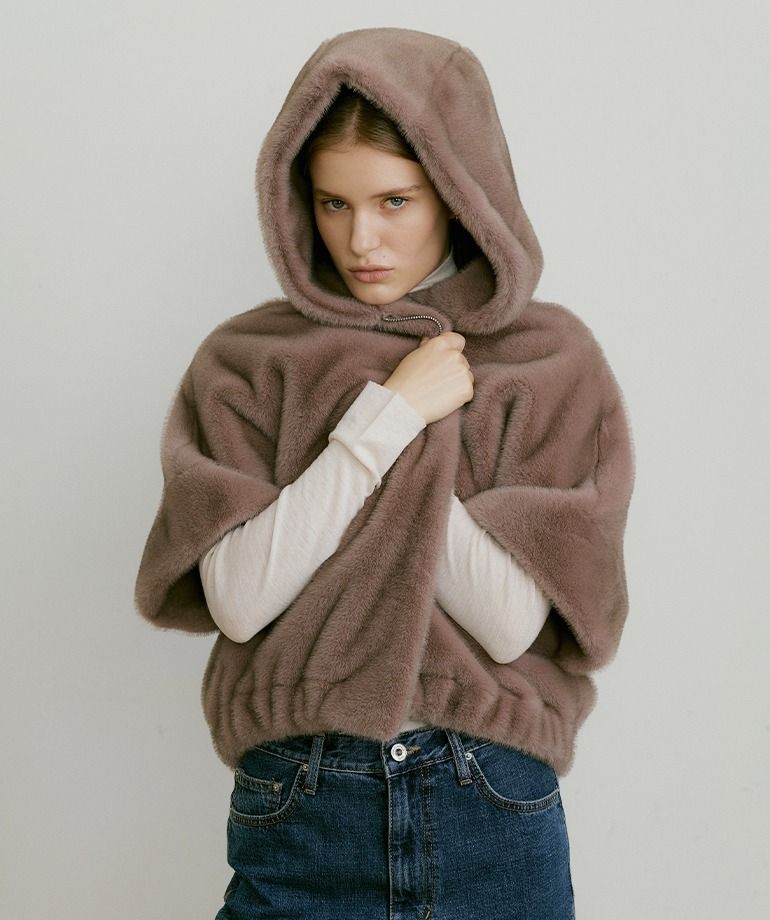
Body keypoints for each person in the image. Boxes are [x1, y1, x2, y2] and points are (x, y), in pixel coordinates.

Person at [134, 27, 635, 919]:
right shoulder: (247, 359)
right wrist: (391, 416)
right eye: (333, 203)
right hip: (303, 798)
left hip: (487, 796)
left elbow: (509, 623)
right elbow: (240, 600)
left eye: (394, 200)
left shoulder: (548, 360)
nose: (360, 238)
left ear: (458, 191)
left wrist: (384, 448)